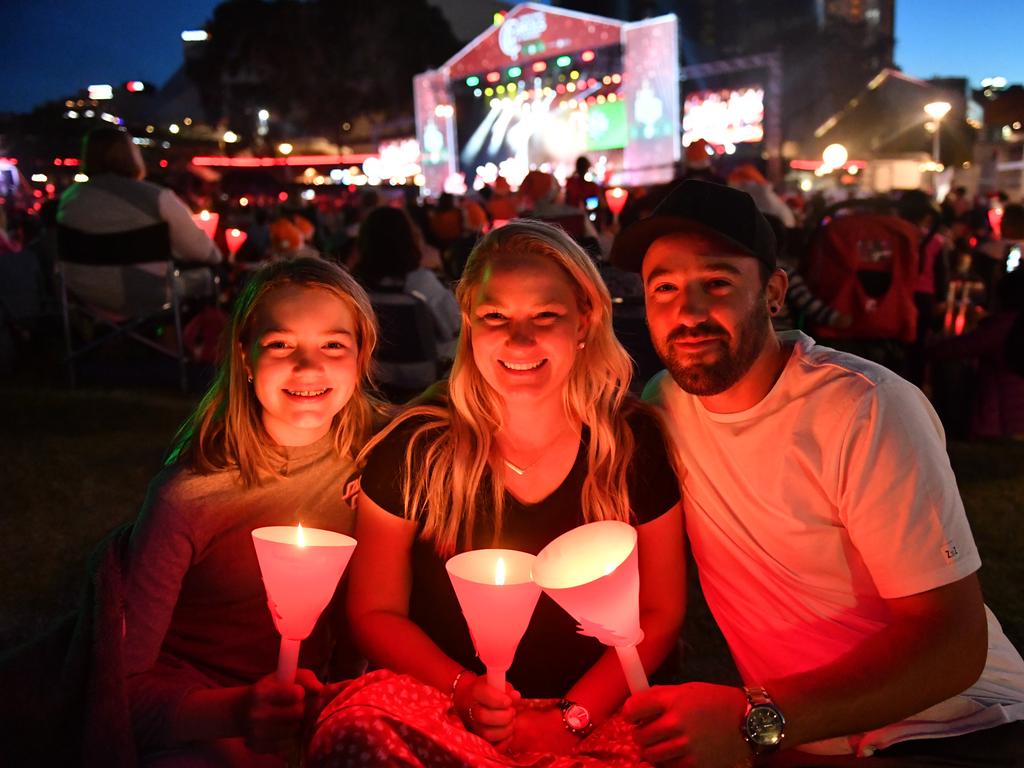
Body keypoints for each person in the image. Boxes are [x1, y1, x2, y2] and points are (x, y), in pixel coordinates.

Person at [609, 179, 1024, 765]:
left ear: (774, 292)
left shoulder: (863, 407)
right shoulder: (664, 405)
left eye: (718, 282)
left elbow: (953, 646)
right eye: (665, 288)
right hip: (808, 735)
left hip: (954, 727)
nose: (689, 312)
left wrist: (755, 723)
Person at [309, 219, 684, 765]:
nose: (519, 339)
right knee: (360, 730)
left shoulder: (630, 444)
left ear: (585, 319)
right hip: (444, 706)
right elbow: (375, 610)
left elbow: (662, 609)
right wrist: (464, 691)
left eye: (545, 317)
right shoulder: (417, 447)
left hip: (598, 711)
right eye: (495, 317)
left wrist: (570, 719)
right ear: (467, 323)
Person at [123, 257, 384, 765]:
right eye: (281, 345)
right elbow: (120, 691)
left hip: (328, 702)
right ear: (244, 356)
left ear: (361, 356)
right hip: (204, 713)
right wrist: (236, 714)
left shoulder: (385, 453)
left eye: (333, 345)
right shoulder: (191, 497)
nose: (308, 367)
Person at [57, 127, 222, 312]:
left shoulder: (68, 200)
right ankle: (178, 339)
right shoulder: (156, 198)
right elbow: (206, 253)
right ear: (132, 155)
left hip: (82, 295)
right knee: (207, 277)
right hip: (144, 296)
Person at [355, 205, 460, 362]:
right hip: (424, 371)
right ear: (409, 238)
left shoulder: (355, 287)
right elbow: (454, 324)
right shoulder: (421, 282)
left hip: (374, 371)